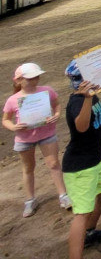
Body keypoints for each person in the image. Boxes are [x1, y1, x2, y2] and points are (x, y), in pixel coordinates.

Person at [62, 61, 101, 259]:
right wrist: (86, 99)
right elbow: (81, 127)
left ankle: (90, 232)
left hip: (96, 159)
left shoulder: (89, 93)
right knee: (81, 214)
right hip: (80, 167)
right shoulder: (77, 102)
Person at [3, 62, 70, 216]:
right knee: (28, 168)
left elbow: (57, 105)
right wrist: (13, 127)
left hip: (47, 134)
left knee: (53, 163)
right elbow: (5, 120)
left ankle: (63, 195)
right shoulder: (13, 99)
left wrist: (56, 115)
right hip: (24, 139)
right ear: (19, 80)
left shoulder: (47, 91)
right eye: (30, 78)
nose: (35, 80)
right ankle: (30, 200)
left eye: (37, 77)